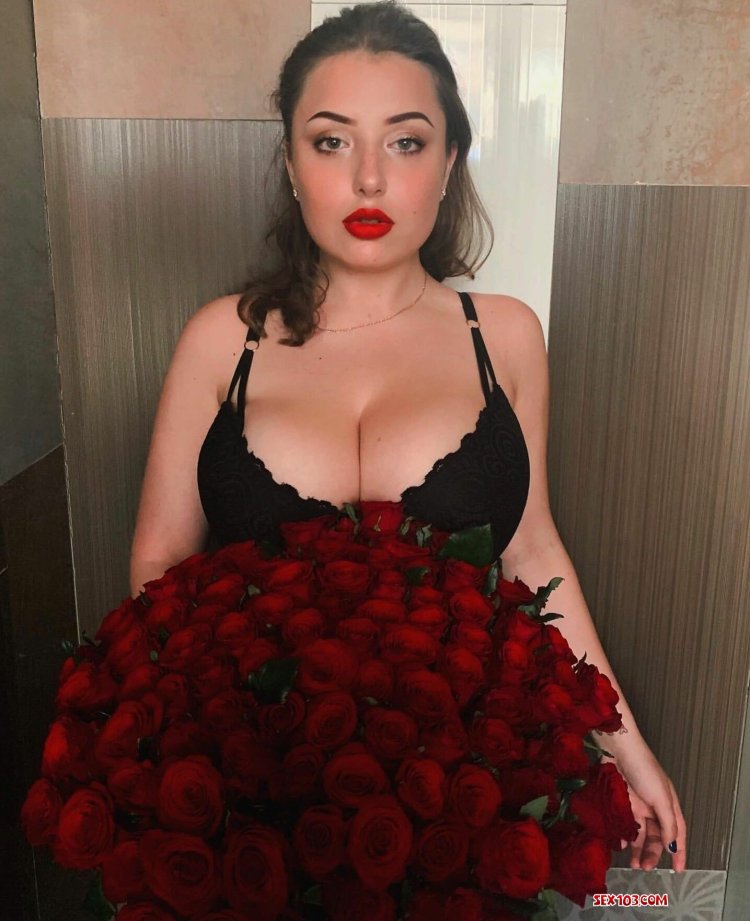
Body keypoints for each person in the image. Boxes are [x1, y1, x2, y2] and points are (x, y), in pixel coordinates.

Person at [130, 0, 686, 876]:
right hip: (258, 815)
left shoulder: (505, 335)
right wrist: (194, 748)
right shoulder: (219, 340)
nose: (368, 179)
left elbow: (532, 548)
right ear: (290, 162)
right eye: (330, 141)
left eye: (405, 141)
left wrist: (627, 744)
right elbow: (161, 564)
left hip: (467, 811)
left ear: (450, 159)